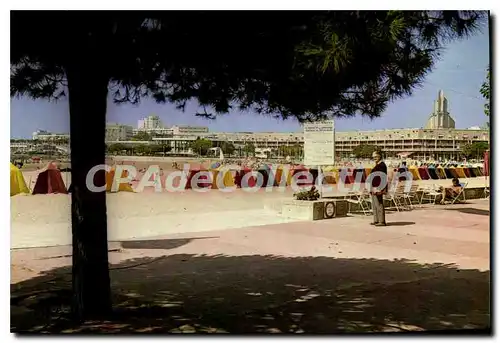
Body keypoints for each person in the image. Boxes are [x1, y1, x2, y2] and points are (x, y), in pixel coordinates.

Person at [369, 151, 388, 226]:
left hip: (378, 187)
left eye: (375, 156)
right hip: (374, 187)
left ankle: (382, 221)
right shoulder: (378, 165)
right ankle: (376, 220)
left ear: (380, 156)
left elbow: (382, 177)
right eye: (373, 157)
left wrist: (379, 188)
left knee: (379, 204)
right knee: (374, 204)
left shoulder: (382, 165)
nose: (374, 158)